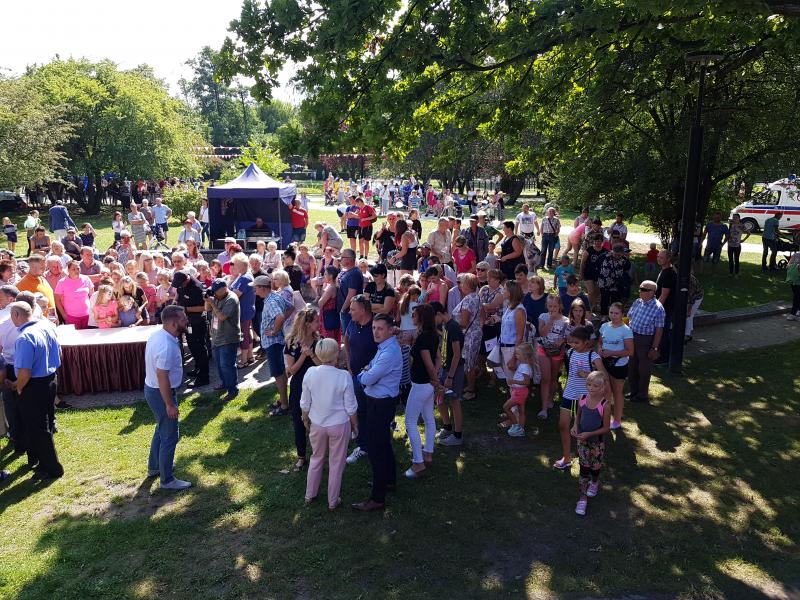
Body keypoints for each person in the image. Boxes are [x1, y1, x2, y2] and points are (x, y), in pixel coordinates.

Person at [352, 314, 402, 512]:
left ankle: (377, 498)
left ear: (391, 330)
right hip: (378, 401)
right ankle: (388, 481)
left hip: (381, 404)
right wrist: (367, 373)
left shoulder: (389, 352)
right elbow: (370, 369)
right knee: (382, 444)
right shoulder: (384, 348)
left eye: (380, 328)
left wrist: (363, 374)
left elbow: (368, 377)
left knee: (375, 448)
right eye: (374, 328)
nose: (376, 332)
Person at [300, 337, 358, 510]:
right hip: (339, 425)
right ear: (336, 355)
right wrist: (356, 425)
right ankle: (332, 501)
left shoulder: (310, 372)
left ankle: (310, 495)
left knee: (316, 458)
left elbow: (305, 401)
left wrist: (305, 418)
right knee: (336, 463)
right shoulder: (344, 376)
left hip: (317, 424)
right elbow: (351, 406)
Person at [9, 301, 64, 479]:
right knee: (45, 425)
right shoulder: (46, 327)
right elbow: (59, 354)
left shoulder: (25, 337)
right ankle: (44, 463)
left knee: (38, 429)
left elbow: (25, 372)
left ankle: (52, 468)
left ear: (17, 315)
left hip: (34, 386)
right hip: (50, 380)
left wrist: (18, 387)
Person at [143, 304, 192, 490]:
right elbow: (162, 376)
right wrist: (170, 405)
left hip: (154, 390)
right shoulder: (165, 345)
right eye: (183, 319)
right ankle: (167, 480)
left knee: (161, 430)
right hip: (160, 392)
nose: (186, 321)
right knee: (170, 436)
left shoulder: (160, 334)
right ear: (173, 323)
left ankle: (155, 467)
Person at [554, 326, 605, 470]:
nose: (573, 345)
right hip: (569, 393)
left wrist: (588, 375)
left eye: (577, 342)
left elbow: (603, 377)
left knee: (582, 431)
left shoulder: (593, 356)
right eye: (571, 342)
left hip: (585, 398)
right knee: (563, 425)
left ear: (586, 342)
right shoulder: (570, 352)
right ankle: (566, 457)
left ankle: (587, 459)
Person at [403, 304, 441, 478]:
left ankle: (418, 463)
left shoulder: (423, 338)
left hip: (421, 384)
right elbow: (439, 357)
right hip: (427, 384)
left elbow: (428, 361)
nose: (412, 315)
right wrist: (435, 377)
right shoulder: (433, 335)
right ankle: (428, 453)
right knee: (428, 418)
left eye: (414, 314)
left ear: (421, 317)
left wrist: (434, 379)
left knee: (410, 421)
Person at [285, 307, 321, 473]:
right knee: (299, 421)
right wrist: (303, 355)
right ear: (307, 324)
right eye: (315, 321)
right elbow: (291, 370)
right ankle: (301, 456)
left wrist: (312, 354)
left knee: (317, 420)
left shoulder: (319, 339)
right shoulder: (292, 342)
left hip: (317, 386)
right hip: (299, 386)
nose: (318, 323)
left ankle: (318, 452)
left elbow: (324, 365)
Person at [571, 371, 612, 516]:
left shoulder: (605, 405)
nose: (591, 388)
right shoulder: (582, 399)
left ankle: (594, 482)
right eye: (588, 384)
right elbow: (578, 415)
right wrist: (575, 426)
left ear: (603, 388)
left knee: (595, 467)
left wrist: (590, 434)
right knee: (584, 468)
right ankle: (582, 499)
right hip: (582, 441)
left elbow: (606, 428)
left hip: (597, 444)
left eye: (595, 386)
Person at [430, 301, 465, 446]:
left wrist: (450, 376)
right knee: (439, 397)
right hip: (445, 368)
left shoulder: (454, 327)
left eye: (433, 318)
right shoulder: (444, 326)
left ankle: (457, 435)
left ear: (439, 314)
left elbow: (457, 355)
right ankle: (447, 426)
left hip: (454, 370)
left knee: (454, 401)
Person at [626, 280, 665, 403]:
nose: (640, 291)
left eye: (644, 289)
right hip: (632, 337)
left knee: (643, 369)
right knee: (631, 367)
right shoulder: (638, 302)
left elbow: (659, 330)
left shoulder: (658, 308)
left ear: (653, 292)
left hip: (646, 340)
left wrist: (654, 348)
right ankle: (633, 391)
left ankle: (642, 395)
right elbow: (629, 318)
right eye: (640, 288)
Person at [598, 303, 634, 428]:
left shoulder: (626, 330)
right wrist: (600, 350)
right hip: (604, 363)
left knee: (617, 392)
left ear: (622, 314)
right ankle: (605, 418)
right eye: (611, 313)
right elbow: (600, 342)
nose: (613, 316)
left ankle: (617, 420)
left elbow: (630, 351)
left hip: (619, 365)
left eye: (616, 313)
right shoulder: (604, 326)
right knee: (605, 391)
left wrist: (611, 353)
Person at [205, 278, 241, 401]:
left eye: (216, 291)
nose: (214, 294)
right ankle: (225, 384)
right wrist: (207, 300)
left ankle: (233, 390)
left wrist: (212, 302)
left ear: (224, 289)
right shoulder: (217, 296)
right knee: (220, 365)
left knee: (227, 365)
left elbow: (222, 316)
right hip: (217, 336)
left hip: (228, 338)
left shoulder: (231, 299)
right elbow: (207, 309)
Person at [172, 270, 209, 386]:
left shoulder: (197, 288)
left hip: (197, 322)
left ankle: (203, 377)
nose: (180, 286)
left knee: (199, 348)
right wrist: (175, 302)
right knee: (192, 346)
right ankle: (197, 368)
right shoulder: (181, 284)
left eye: (181, 284)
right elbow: (179, 293)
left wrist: (185, 309)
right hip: (188, 322)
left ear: (187, 280)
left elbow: (204, 307)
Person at [537, 294, 569, 419]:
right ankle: (543, 408)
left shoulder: (566, 320)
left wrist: (563, 340)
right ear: (546, 306)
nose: (552, 308)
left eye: (555, 306)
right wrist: (551, 320)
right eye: (550, 306)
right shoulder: (543, 317)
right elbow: (542, 333)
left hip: (557, 352)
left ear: (560, 306)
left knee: (553, 377)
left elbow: (568, 336)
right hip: (543, 349)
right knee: (545, 378)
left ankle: (550, 398)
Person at [228, 253, 256, 369]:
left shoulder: (245, 278)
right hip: (247, 309)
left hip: (243, 311)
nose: (233, 266)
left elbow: (236, 294)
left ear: (241, 265)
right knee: (247, 332)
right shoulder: (244, 275)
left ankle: (244, 360)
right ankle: (250, 356)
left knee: (243, 335)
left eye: (235, 264)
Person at [503, 343, 535, 437]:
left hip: (519, 392)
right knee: (521, 411)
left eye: (518, 354)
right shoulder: (523, 365)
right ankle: (521, 429)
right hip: (519, 391)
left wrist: (513, 380)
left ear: (525, 356)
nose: (516, 356)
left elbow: (527, 382)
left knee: (506, 407)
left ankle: (515, 425)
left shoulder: (525, 367)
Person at [54, 260, 93, 329]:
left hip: (87, 316)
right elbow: (57, 300)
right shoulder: (62, 282)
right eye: (73, 269)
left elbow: (92, 297)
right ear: (68, 270)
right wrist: (64, 315)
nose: (76, 271)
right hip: (71, 317)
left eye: (78, 268)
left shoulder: (86, 279)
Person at [654, 250, 677, 364]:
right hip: (664, 308)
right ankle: (662, 355)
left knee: (663, 333)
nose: (658, 259)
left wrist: (655, 309)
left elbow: (664, 295)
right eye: (658, 257)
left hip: (665, 309)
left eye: (661, 257)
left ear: (668, 259)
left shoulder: (669, 273)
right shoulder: (664, 271)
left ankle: (665, 358)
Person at [597, 245, 631, 317]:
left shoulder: (623, 259)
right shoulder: (605, 256)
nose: (617, 256)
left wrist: (627, 257)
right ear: (612, 251)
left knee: (615, 300)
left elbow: (628, 267)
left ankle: (613, 315)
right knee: (604, 299)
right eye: (616, 254)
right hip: (604, 283)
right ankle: (604, 315)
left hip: (616, 283)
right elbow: (597, 263)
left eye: (619, 254)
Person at [336, 249, 364, 333]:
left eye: (342, 257)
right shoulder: (349, 272)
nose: (340, 259)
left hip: (349, 312)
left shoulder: (354, 274)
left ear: (349, 259)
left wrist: (343, 309)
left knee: (348, 336)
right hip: (347, 311)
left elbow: (351, 294)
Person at [786, 252, 800, 320]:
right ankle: (794, 313)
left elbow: (788, 266)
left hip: (792, 279)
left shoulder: (795, 255)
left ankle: (794, 313)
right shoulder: (796, 255)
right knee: (797, 297)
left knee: (797, 296)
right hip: (796, 280)